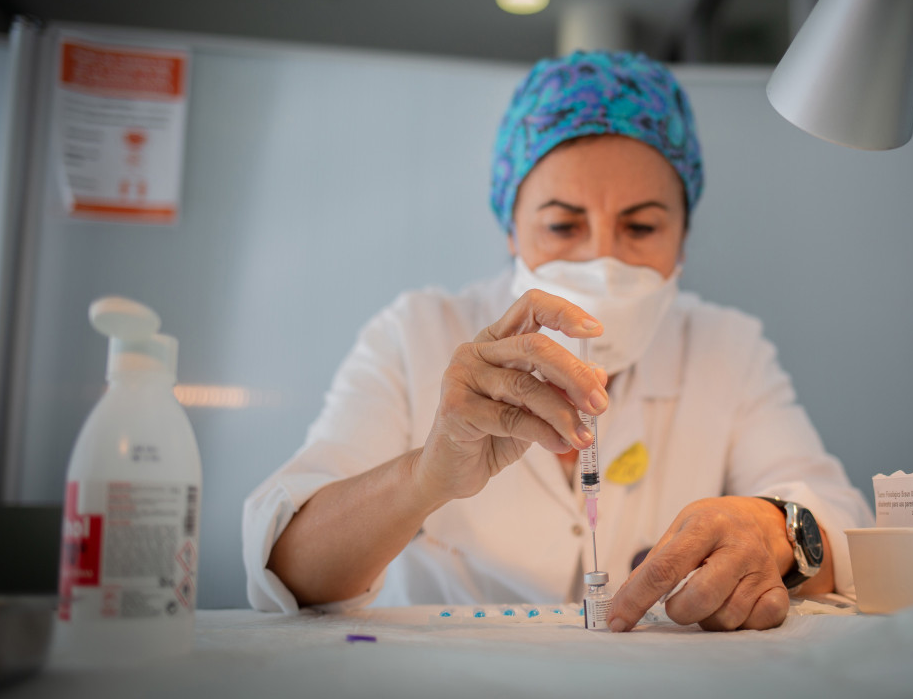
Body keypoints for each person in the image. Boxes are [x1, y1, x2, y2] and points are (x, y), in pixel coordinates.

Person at [242, 50, 872, 632]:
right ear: (511, 229)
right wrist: (424, 477)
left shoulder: (726, 348)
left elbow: (847, 528)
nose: (602, 260)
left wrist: (774, 530)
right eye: (563, 225)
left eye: (641, 227)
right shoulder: (416, 334)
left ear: (683, 237)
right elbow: (289, 571)